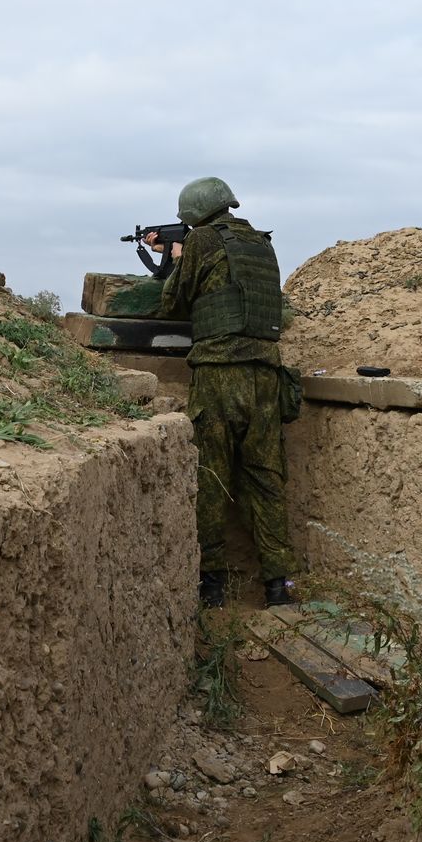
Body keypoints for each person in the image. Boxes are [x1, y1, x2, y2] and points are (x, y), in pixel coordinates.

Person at [146, 177, 299, 609]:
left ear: (194, 214)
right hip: (266, 376)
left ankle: (210, 586)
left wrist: (175, 258)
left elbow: (172, 302)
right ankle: (278, 586)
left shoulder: (201, 240)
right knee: (265, 479)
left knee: (211, 477)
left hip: (219, 373)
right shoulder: (261, 243)